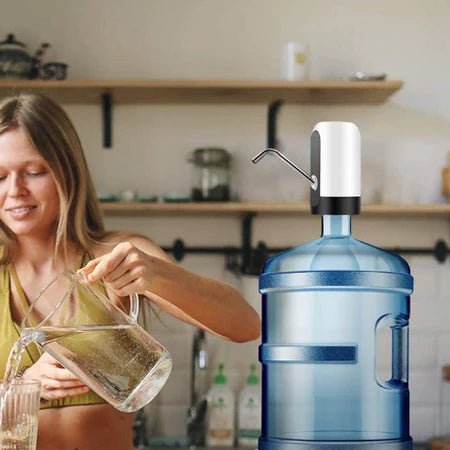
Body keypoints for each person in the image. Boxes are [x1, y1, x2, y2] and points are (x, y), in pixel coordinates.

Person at [0, 94, 260, 450]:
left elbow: (245, 324)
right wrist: (22, 388)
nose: (14, 191)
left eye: (34, 172)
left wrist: (155, 274)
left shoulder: (112, 254)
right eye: (0, 176)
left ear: (68, 172)